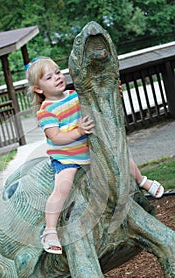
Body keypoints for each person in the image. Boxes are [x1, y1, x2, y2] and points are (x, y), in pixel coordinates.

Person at [26, 57, 164, 255]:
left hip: (88, 149)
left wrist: (113, 94)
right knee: (62, 187)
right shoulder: (46, 111)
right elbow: (56, 137)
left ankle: (142, 180)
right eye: (49, 77)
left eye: (58, 72)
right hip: (67, 157)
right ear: (39, 89)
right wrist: (79, 131)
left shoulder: (74, 95)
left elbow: (97, 104)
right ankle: (49, 231)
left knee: (121, 156)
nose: (57, 77)